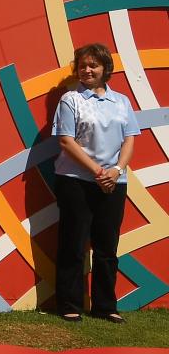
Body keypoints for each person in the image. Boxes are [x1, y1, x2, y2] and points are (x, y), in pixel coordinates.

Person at [50, 43, 138, 324]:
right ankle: (69, 304)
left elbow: (129, 138)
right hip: (76, 181)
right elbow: (66, 140)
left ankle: (105, 306)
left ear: (105, 69)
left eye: (93, 65)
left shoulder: (122, 101)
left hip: (114, 182)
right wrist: (99, 171)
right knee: (73, 244)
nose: (87, 70)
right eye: (83, 65)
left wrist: (117, 170)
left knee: (107, 246)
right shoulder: (70, 100)